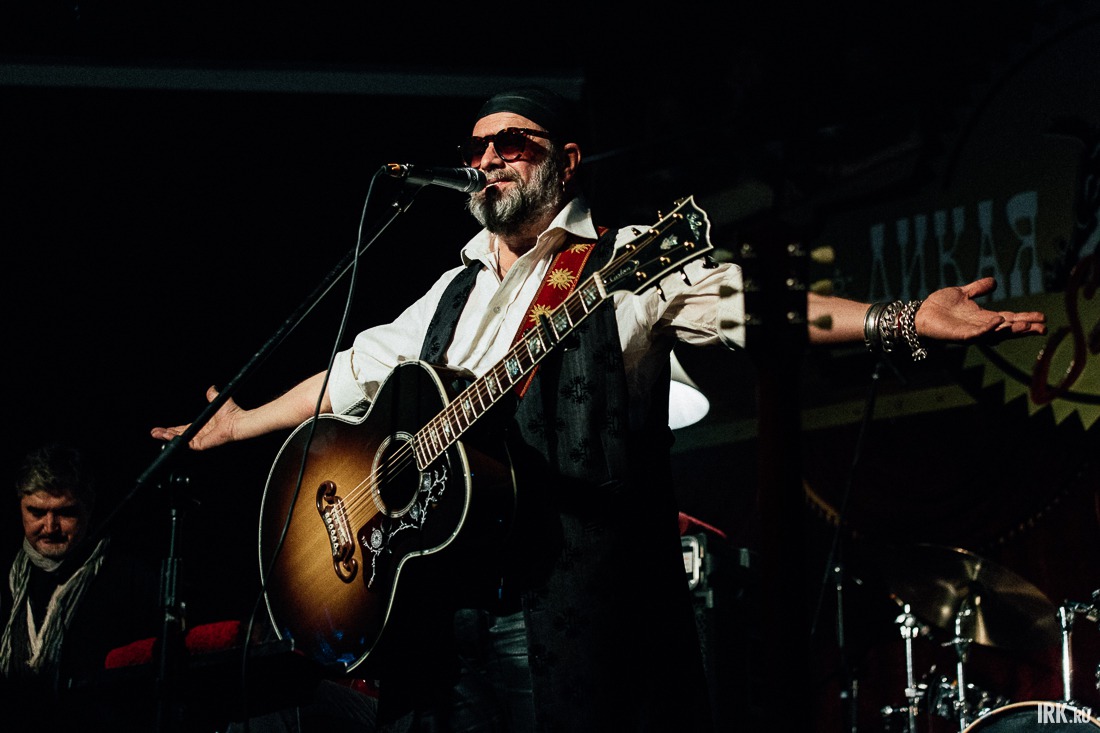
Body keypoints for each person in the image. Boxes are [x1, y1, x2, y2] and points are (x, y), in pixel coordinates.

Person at [151, 86, 1047, 732]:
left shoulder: (624, 263)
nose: (488, 159)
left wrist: (900, 318)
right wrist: (240, 422)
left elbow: (754, 308)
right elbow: (350, 377)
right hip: (438, 613)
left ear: (567, 161)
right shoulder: (452, 290)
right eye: (478, 148)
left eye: (513, 142)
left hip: (563, 612)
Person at [0, 442, 162, 731]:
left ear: (88, 507)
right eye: (36, 512)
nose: (50, 527)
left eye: (65, 513)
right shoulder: (5, 578)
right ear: (20, 506)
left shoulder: (131, 579)